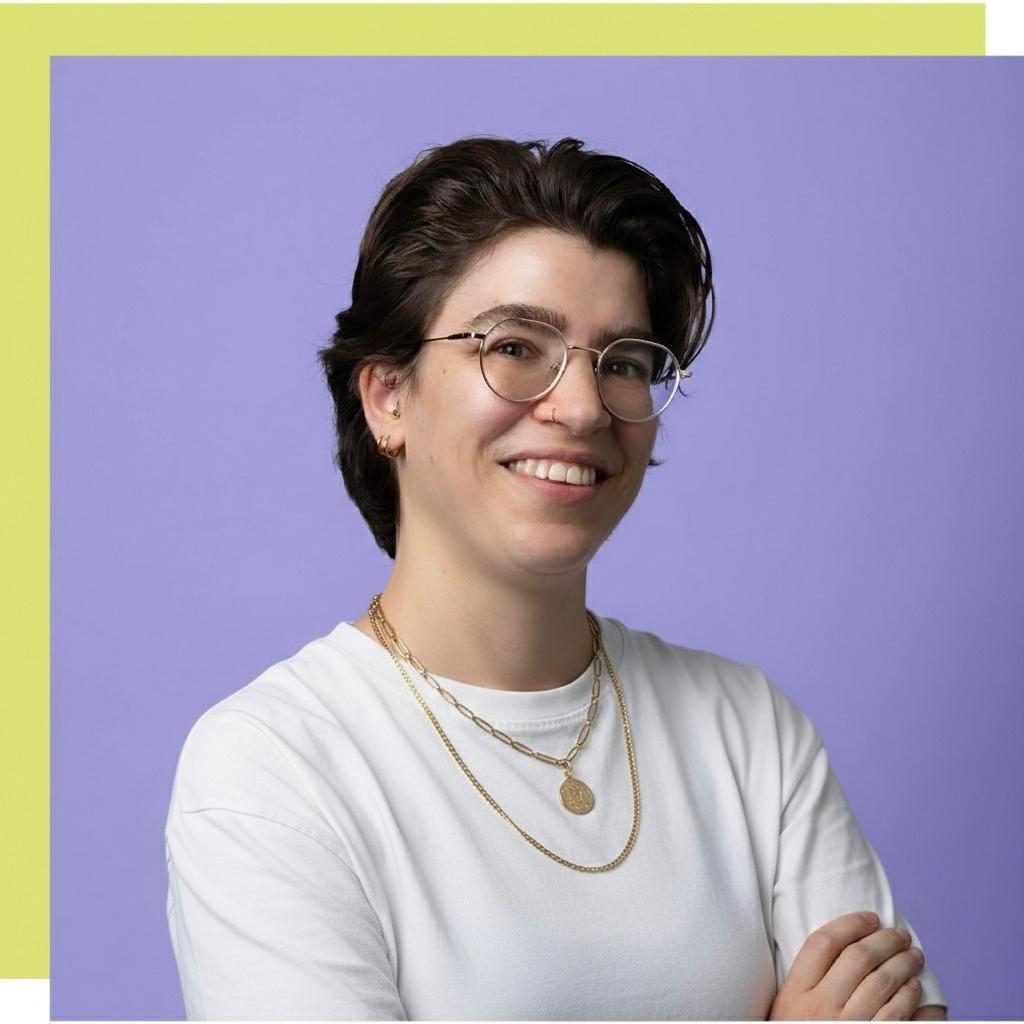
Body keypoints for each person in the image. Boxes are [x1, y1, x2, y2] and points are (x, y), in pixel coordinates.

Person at [164, 136, 949, 1021]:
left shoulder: (749, 732)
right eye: (515, 346)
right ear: (387, 397)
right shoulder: (272, 768)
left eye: (623, 363)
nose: (581, 408)